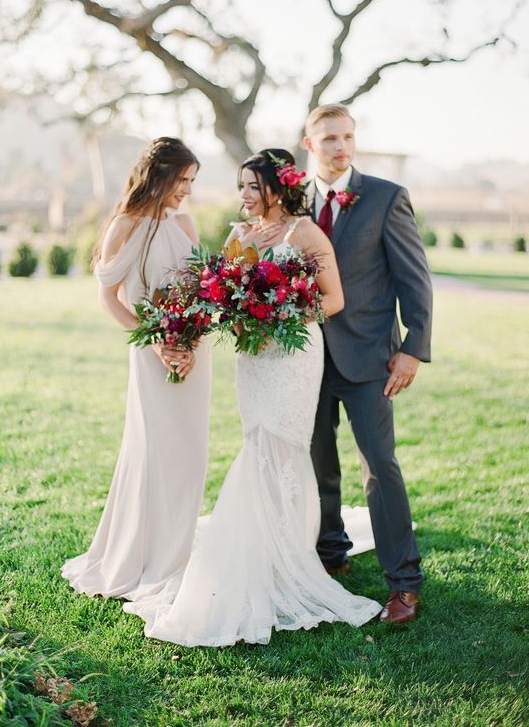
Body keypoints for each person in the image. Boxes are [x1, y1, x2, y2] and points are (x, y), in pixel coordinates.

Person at [122, 149, 382, 646]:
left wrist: (280, 319)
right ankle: (256, 550)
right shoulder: (238, 236)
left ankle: (286, 555)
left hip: (294, 357)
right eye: (240, 186)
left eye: (252, 187)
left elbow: (334, 298)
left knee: (283, 447)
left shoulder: (305, 234)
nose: (243, 195)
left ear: (278, 188)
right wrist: (232, 321)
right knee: (256, 442)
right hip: (254, 360)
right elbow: (219, 293)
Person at [61, 137, 212, 602]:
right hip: (150, 354)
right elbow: (109, 298)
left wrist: (191, 339)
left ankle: (178, 551)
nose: (186, 189)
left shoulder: (184, 223)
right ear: (158, 174)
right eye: (181, 179)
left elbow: (202, 290)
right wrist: (157, 345)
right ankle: (142, 555)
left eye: (191, 180)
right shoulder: (123, 226)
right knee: (154, 451)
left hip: (194, 353)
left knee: (190, 454)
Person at [302, 104, 433, 624]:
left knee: (380, 467)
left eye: (348, 137)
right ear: (310, 143)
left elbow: (414, 278)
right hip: (305, 358)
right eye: (330, 138)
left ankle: (404, 582)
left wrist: (412, 347)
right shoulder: (291, 203)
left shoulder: (386, 197)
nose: (341, 146)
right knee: (317, 463)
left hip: (370, 356)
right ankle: (329, 554)